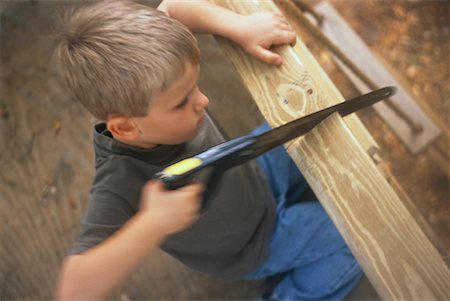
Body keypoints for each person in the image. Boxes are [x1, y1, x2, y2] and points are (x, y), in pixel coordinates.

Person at [55, 0, 362, 300]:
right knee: (356, 244)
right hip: (254, 244)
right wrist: (152, 224)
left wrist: (239, 27)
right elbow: (73, 290)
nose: (203, 100)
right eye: (182, 102)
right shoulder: (119, 182)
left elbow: (174, 7)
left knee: (303, 124)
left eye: (195, 86)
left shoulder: (154, 76)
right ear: (125, 128)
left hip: (253, 173)